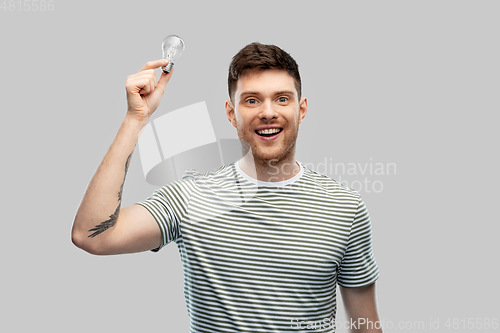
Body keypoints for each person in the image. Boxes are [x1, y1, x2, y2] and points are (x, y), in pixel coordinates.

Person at [72, 42, 383, 332]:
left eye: (282, 98)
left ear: (300, 110)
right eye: (251, 100)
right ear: (231, 114)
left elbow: (365, 324)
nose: (268, 112)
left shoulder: (345, 206)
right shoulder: (190, 197)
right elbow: (92, 236)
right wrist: (134, 119)